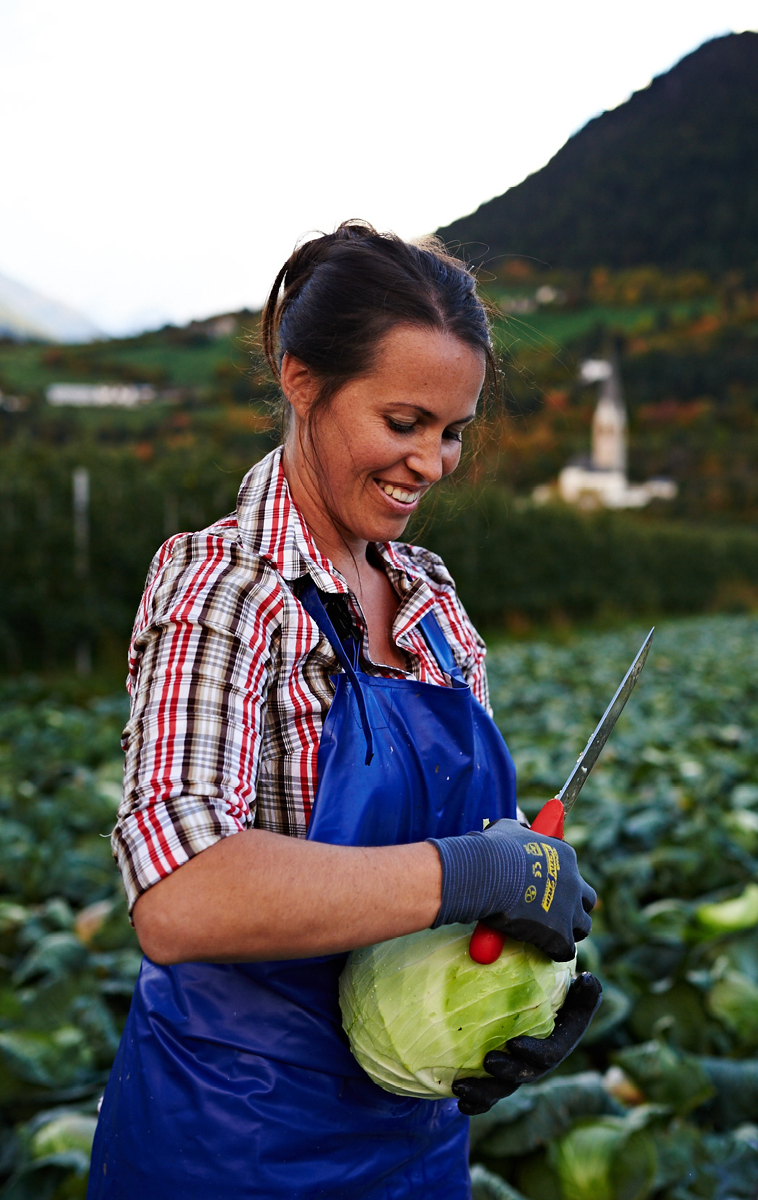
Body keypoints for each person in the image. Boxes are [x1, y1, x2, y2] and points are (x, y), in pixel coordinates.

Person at [87, 221, 601, 1201]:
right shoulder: (225, 590)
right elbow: (180, 897)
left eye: (451, 431)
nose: (434, 461)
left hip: (415, 1144)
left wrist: (516, 997)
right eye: (403, 421)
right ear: (302, 380)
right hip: (233, 1142)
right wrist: (468, 870)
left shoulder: (431, 602)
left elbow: (455, 884)